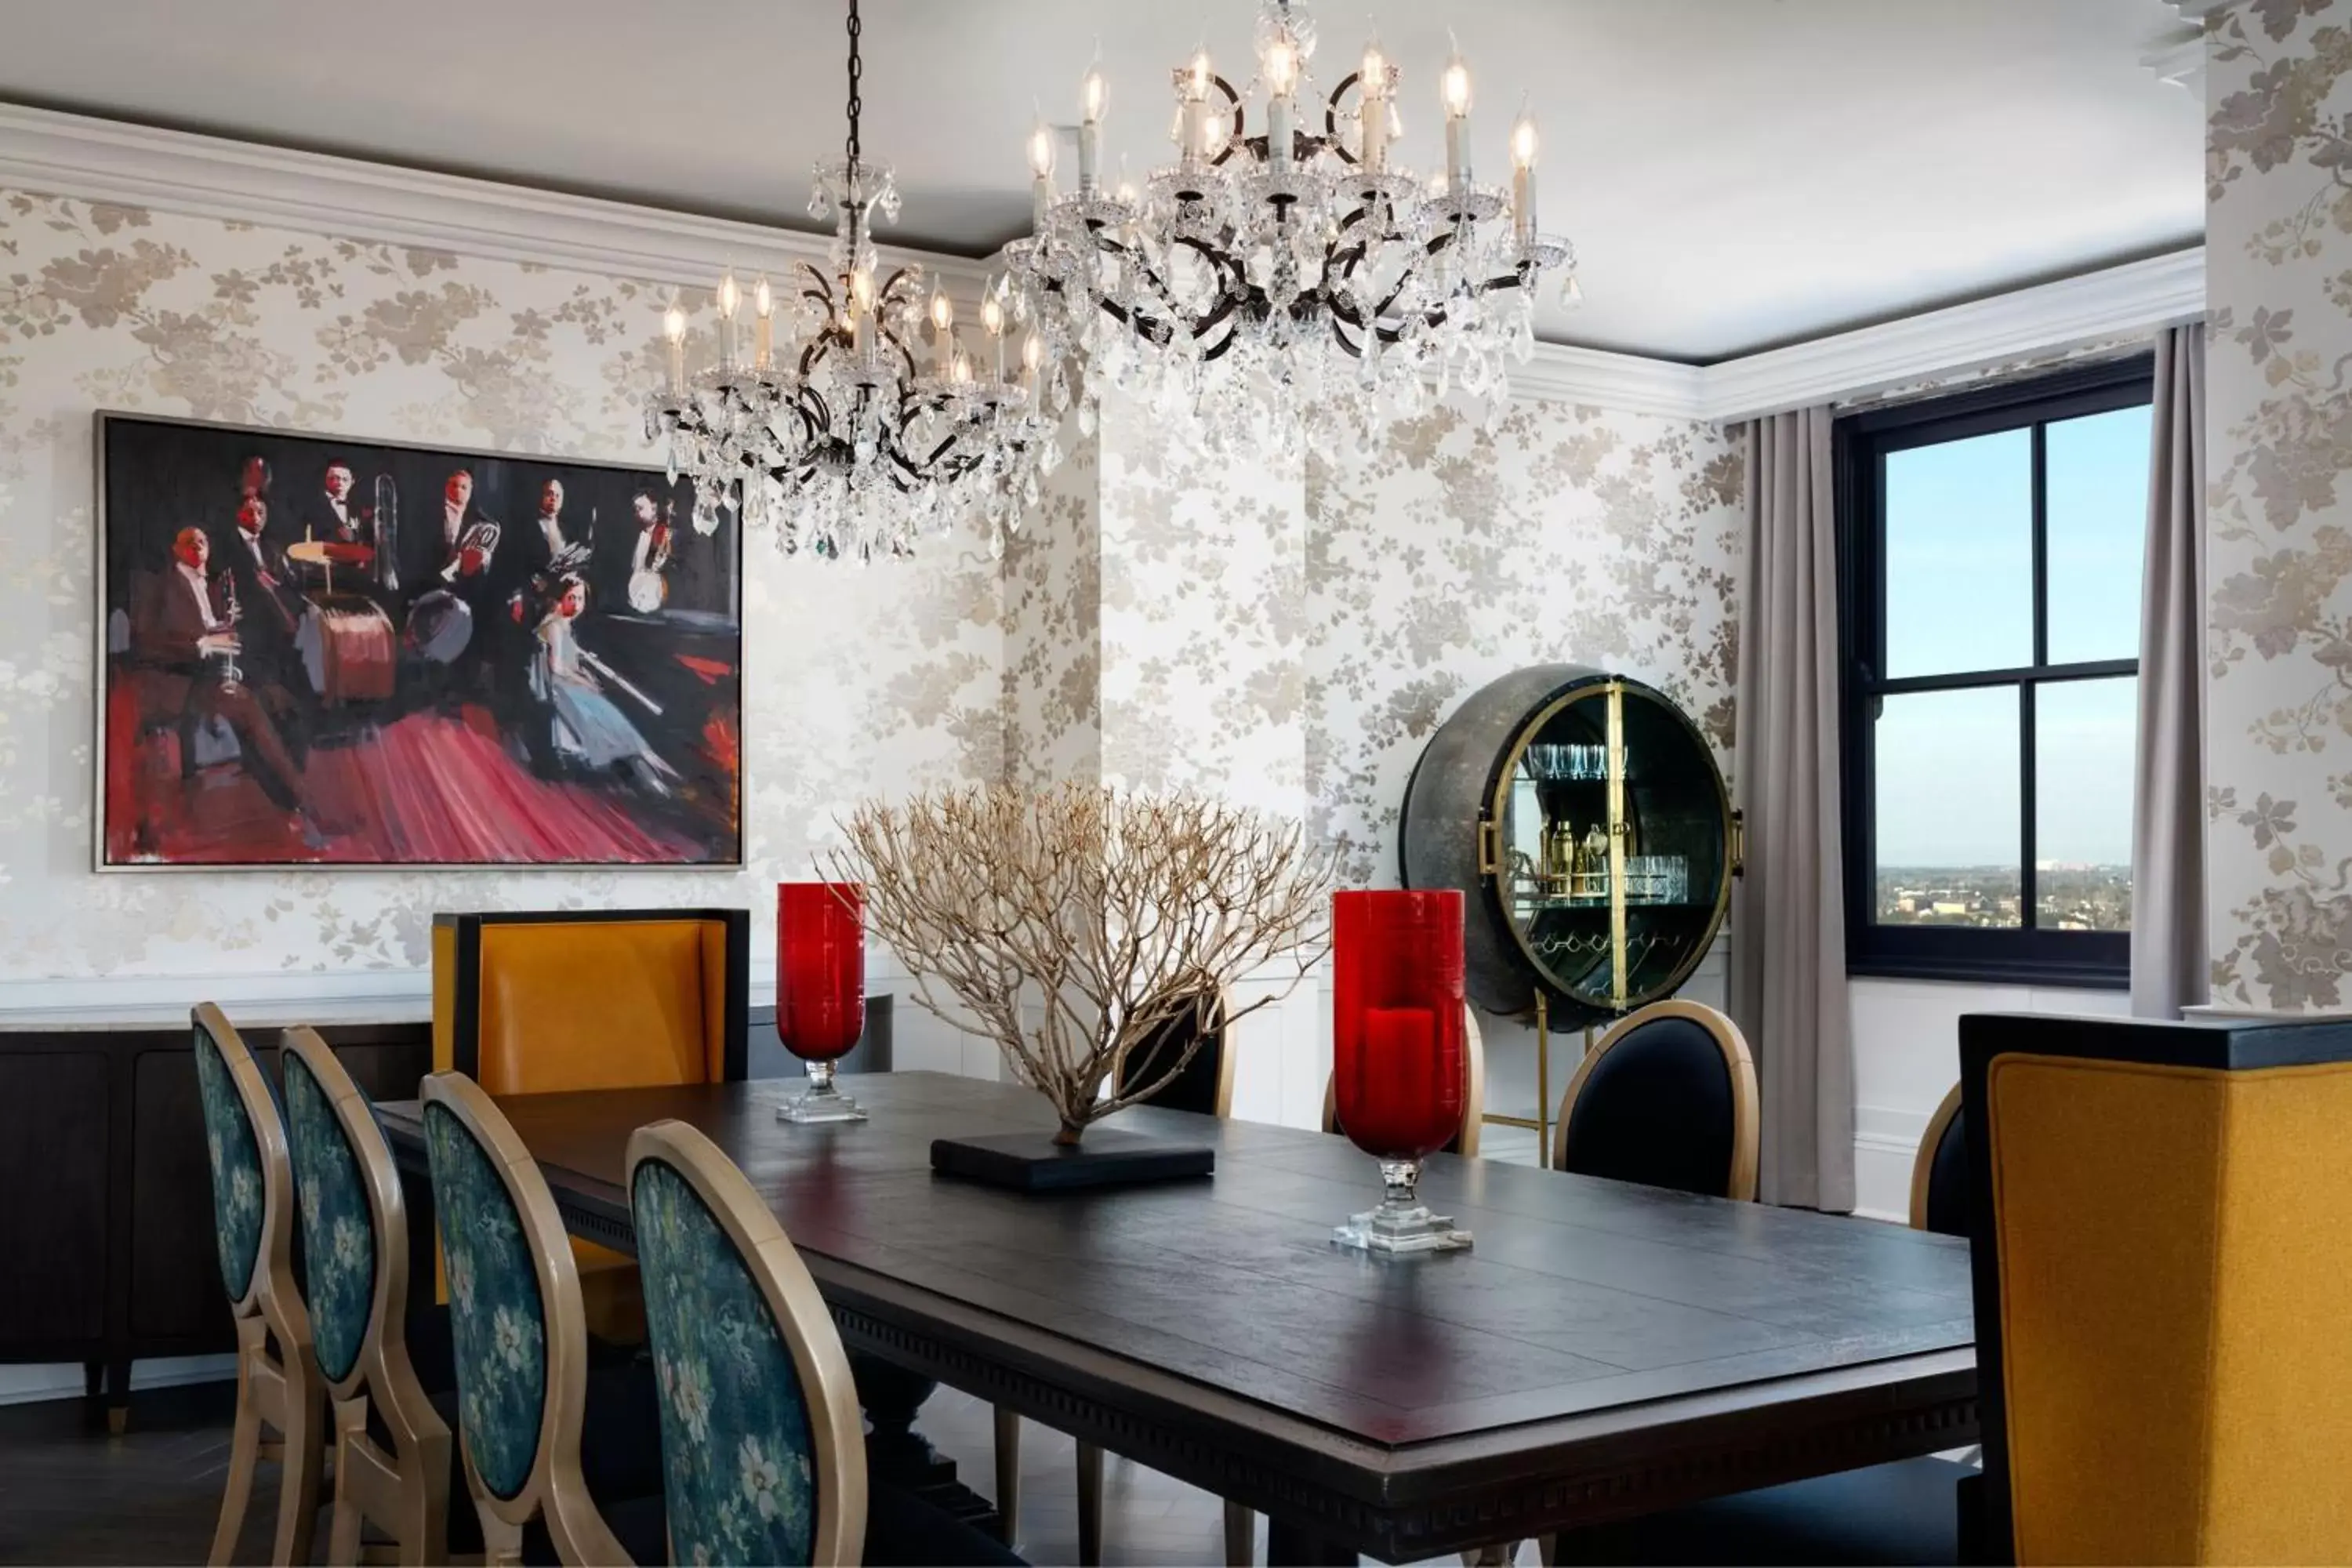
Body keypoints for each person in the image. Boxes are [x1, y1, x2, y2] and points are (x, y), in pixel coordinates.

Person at [128, 528, 325, 848]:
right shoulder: (158, 585)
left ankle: (297, 801)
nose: (197, 547)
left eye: (203, 542)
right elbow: (146, 643)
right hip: (177, 681)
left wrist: (229, 629)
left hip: (212, 680)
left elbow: (230, 635)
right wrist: (202, 644)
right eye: (189, 543)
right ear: (175, 550)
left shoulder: (218, 584)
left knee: (272, 704)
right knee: (248, 707)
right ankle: (302, 801)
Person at [529, 575, 676, 793]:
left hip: (571, 685)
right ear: (560, 597)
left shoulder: (564, 625)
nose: (577, 604)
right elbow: (558, 668)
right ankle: (647, 768)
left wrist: (585, 674)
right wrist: (583, 681)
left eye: (580, 598)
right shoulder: (555, 627)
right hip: (561, 689)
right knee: (607, 718)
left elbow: (570, 663)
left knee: (611, 715)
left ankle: (649, 763)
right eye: (572, 597)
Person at [625, 489, 673, 614]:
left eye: (640, 508)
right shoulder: (640, 533)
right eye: (636, 509)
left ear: (654, 507)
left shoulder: (665, 533)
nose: (637, 513)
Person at [296, 459, 365, 543]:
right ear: (326, 479)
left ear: (352, 482)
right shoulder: (312, 505)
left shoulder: (356, 507)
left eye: (345, 479)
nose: (340, 483)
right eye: (334, 478)